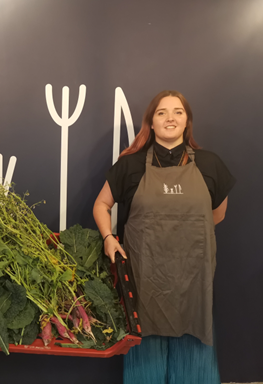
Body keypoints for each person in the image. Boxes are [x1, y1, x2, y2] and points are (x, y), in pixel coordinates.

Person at [93, 90, 235, 384]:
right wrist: (109, 238)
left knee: (195, 340)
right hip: (145, 279)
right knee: (145, 347)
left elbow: (216, 215)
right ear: (151, 123)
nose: (170, 117)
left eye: (178, 112)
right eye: (162, 112)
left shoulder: (210, 165)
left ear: (187, 122)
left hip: (193, 279)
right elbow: (101, 205)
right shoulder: (130, 165)